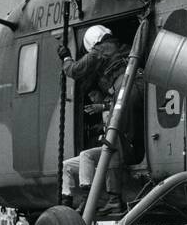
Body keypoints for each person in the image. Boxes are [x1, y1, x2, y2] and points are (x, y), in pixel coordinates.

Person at [57, 24, 140, 213]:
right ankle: (77, 200)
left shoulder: (99, 51)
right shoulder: (121, 48)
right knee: (112, 142)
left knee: (112, 144)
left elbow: (75, 70)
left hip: (126, 88)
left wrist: (66, 57)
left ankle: (105, 198)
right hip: (135, 86)